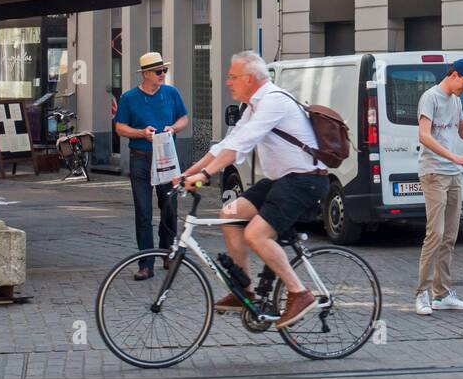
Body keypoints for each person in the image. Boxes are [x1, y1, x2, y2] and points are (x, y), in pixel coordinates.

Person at [176, 51, 329, 330]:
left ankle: (299, 293)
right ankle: (243, 290)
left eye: (232, 77)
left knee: (255, 234)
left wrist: (206, 175)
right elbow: (225, 145)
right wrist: (187, 173)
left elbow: (240, 146)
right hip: (281, 180)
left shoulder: (272, 101)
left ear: (249, 79)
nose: (227, 82)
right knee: (229, 213)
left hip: (305, 180)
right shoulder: (253, 106)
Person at [414, 59, 463, 317]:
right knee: (436, 234)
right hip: (433, 173)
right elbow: (424, 135)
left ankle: (442, 294)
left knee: (450, 235)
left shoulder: (455, 101)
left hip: (453, 175)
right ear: (454, 75)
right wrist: (453, 158)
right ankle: (422, 293)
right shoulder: (429, 98)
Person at [114, 52, 189, 280]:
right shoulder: (129, 98)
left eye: (164, 70)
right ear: (146, 74)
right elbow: (119, 127)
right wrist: (140, 133)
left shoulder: (171, 93)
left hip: (166, 158)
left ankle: (167, 254)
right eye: (158, 72)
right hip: (141, 158)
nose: (163, 75)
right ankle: (145, 263)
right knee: (143, 211)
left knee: (169, 207)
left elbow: (184, 118)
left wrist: (173, 129)